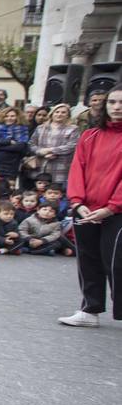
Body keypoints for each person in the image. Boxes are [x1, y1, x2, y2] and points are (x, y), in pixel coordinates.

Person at [59, 85, 122, 328]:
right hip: (86, 207)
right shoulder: (90, 136)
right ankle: (90, 309)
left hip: (116, 211)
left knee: (116, 261)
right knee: (87, 258)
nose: (117, 108)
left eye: (121, 103)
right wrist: (77, 202)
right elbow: (77, 169)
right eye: (113, 102)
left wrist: (112, 207)